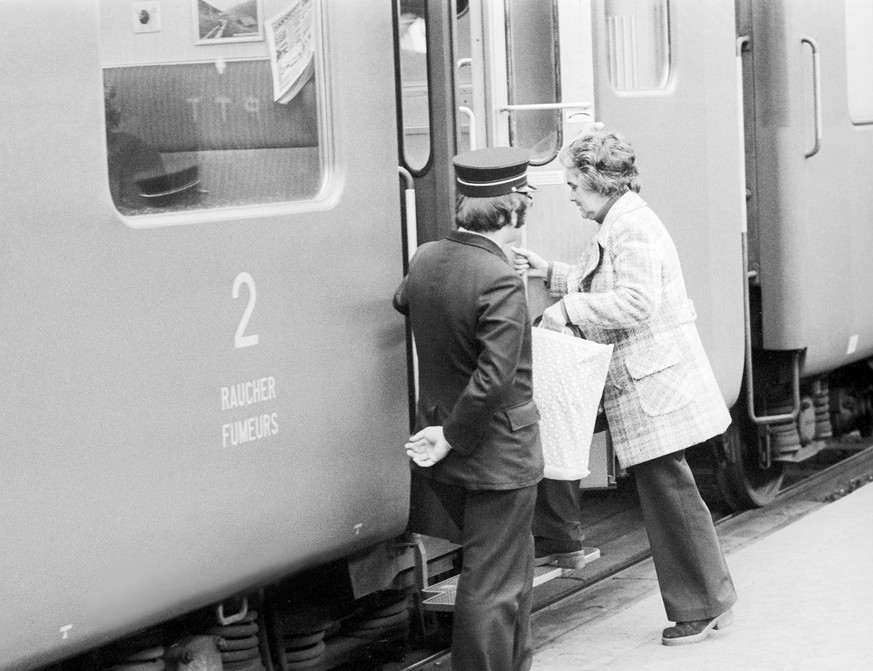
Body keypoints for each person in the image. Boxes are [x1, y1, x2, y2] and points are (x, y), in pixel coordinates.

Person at [513, 128, 737, 646]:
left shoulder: (629, 227)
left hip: (649, 380)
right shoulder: (624, 218)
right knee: (667, 487)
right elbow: (608, 283)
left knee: (668, 491)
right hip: (644, 376)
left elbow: (636, 302)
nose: (569, 195)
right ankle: (708, 596)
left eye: (573, 184)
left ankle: (702, 604)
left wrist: (566, 308)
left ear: (597, 182)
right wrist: (553, 274)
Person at [393, 146, 543, 671]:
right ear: (512, 209)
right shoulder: (500, 279)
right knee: (493, 584)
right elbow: (495, 377)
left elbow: (404, 299)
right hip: (496, 451)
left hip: (446, 439)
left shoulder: (429, 257)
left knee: (509, 572)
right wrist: (454, 435)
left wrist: (444, 432)